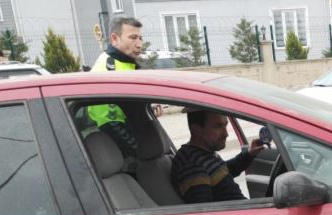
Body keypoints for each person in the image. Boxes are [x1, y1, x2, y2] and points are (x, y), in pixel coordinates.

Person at [88, 17, 155, 159]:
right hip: (124, 156)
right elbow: (110, 125)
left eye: (140, 38)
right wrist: (143, 153)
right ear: (115, 39)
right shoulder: (108, 72)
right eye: (133, 38)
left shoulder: (125, 65)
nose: (139, 44)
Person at [171, 110, 266, 203]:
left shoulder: (203, 153)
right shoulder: (192, 165)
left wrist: (249, 154)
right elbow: (206, 212)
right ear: (196, 130)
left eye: (225, 125)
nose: (226, 134)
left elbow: (222, 173)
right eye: (218, 126)